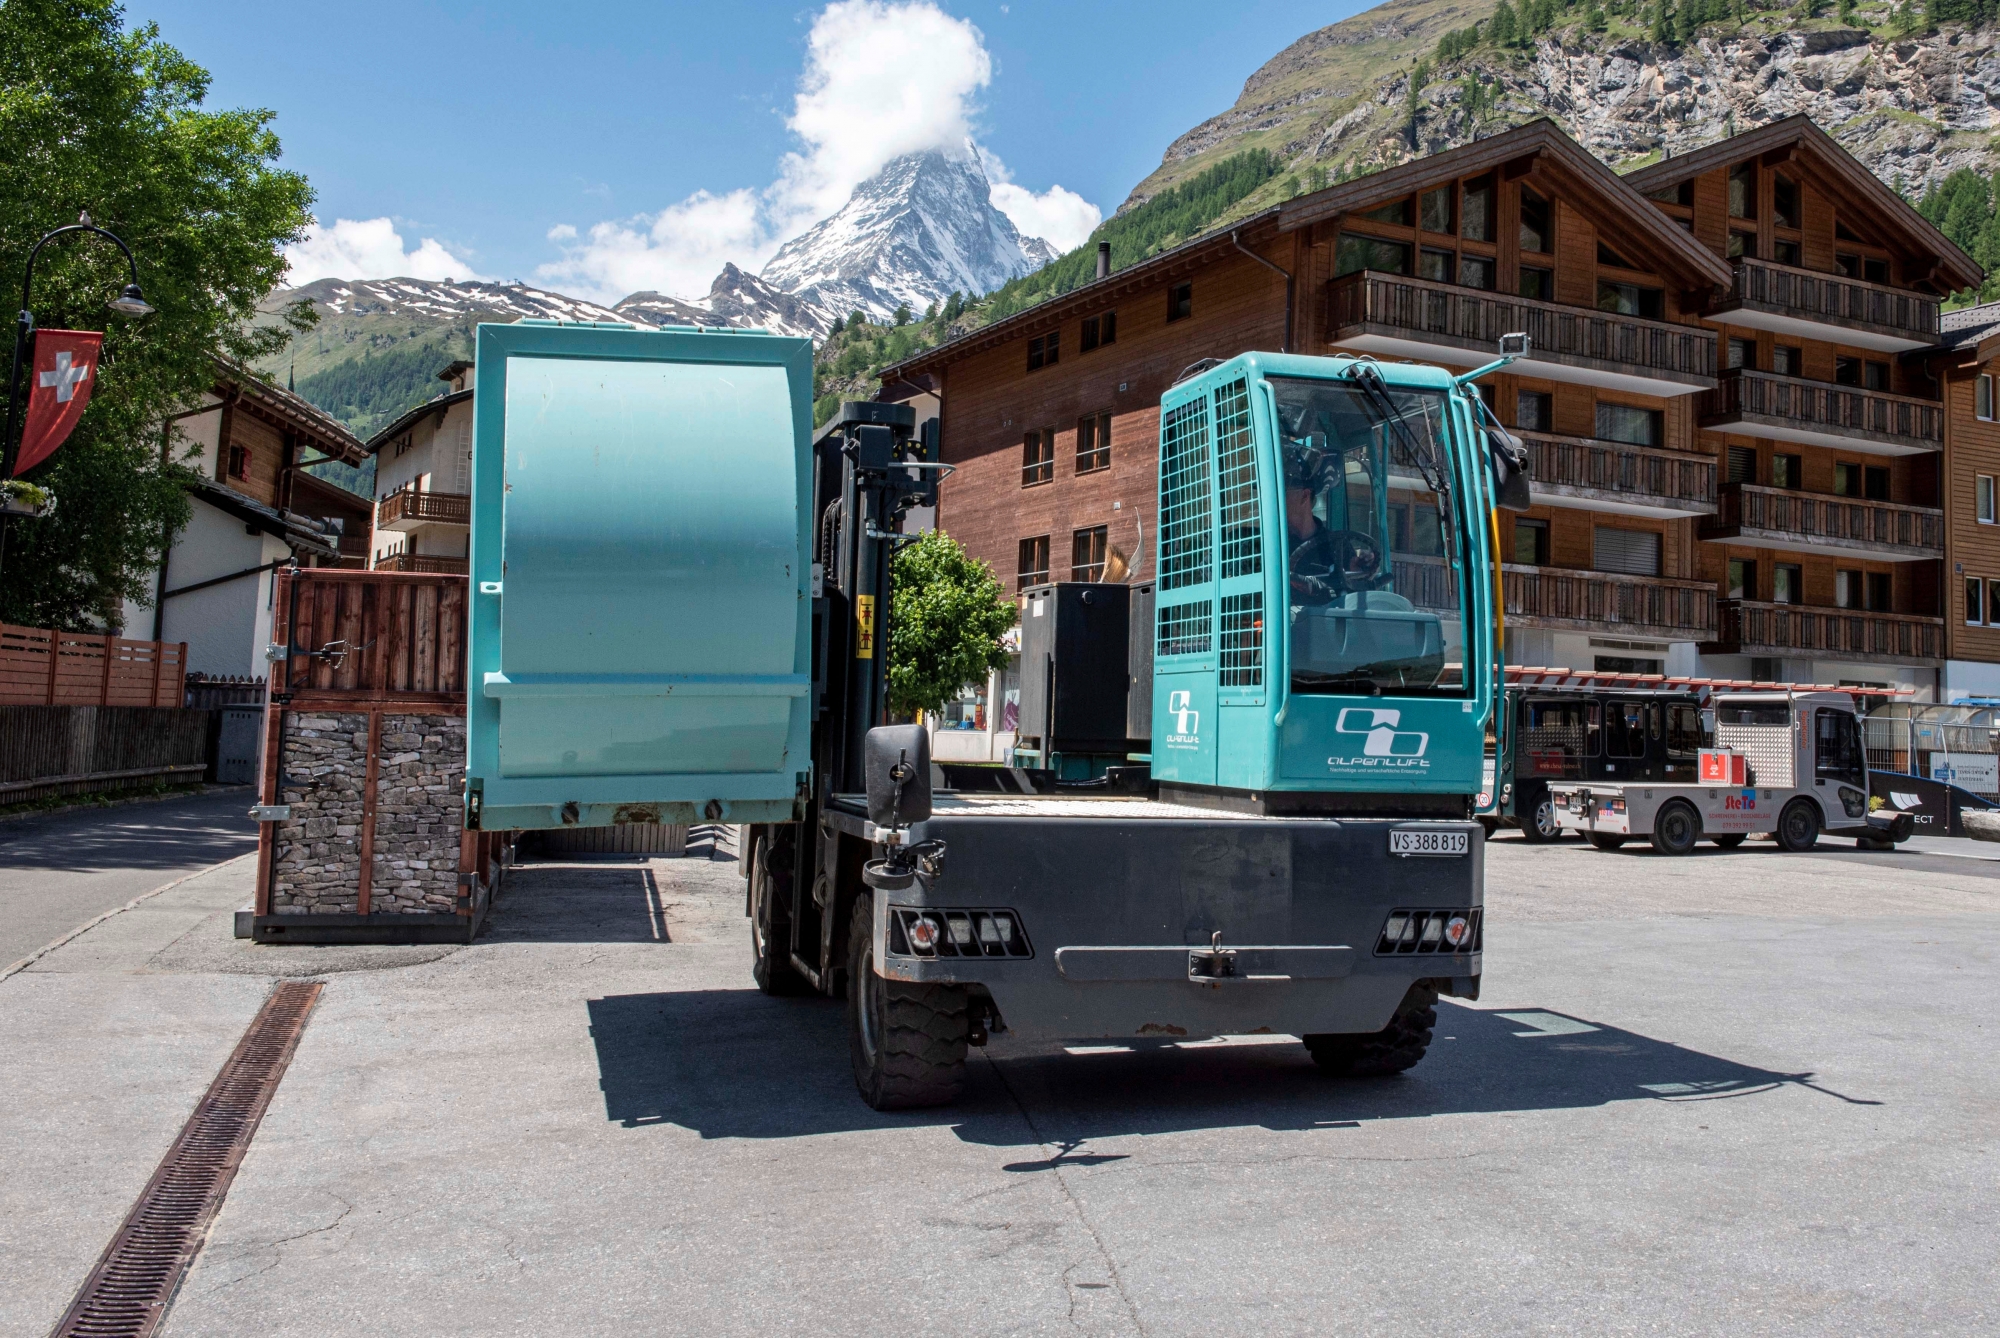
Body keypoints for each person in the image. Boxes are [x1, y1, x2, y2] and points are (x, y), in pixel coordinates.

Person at [1284, 448, 1384, 605]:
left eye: (1282, 491)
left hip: (1326, 624)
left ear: (1304, 495)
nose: (1272, 497)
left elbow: (1349, 599)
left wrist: (1357, 571)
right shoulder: (1268, 545)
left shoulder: (1338, 546)